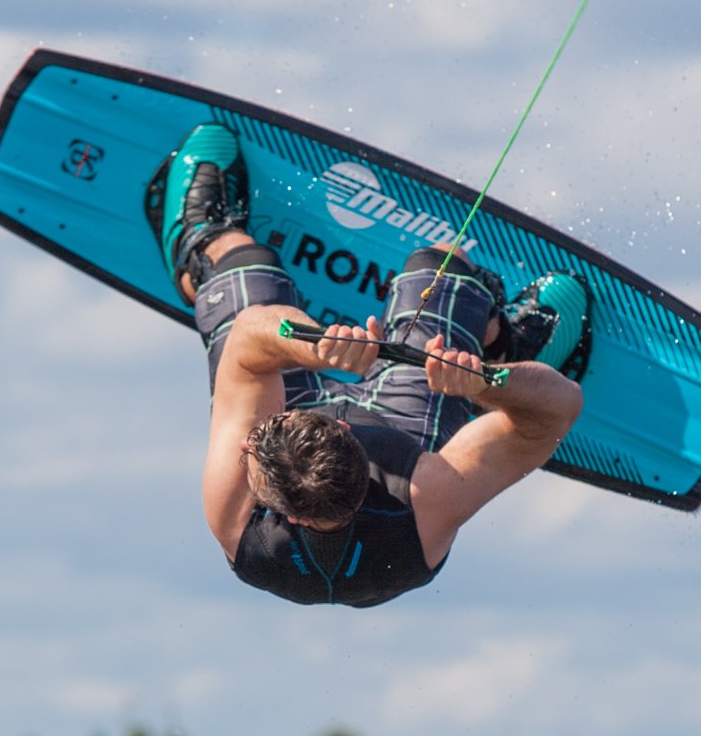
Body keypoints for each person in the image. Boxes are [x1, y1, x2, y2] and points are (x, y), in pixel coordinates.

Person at [161, 123, 589, 607]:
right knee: (443, 261)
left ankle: (200, 242)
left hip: (318, 451)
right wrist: (487, 385)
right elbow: (556, 413)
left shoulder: (234, 507)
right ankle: (504, 342)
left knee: (240, 258)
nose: (247, 439)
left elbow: (248, 342)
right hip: (399, 430)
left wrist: (317, 345)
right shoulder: (425, 498)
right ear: (350, 440)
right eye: (256, 443)